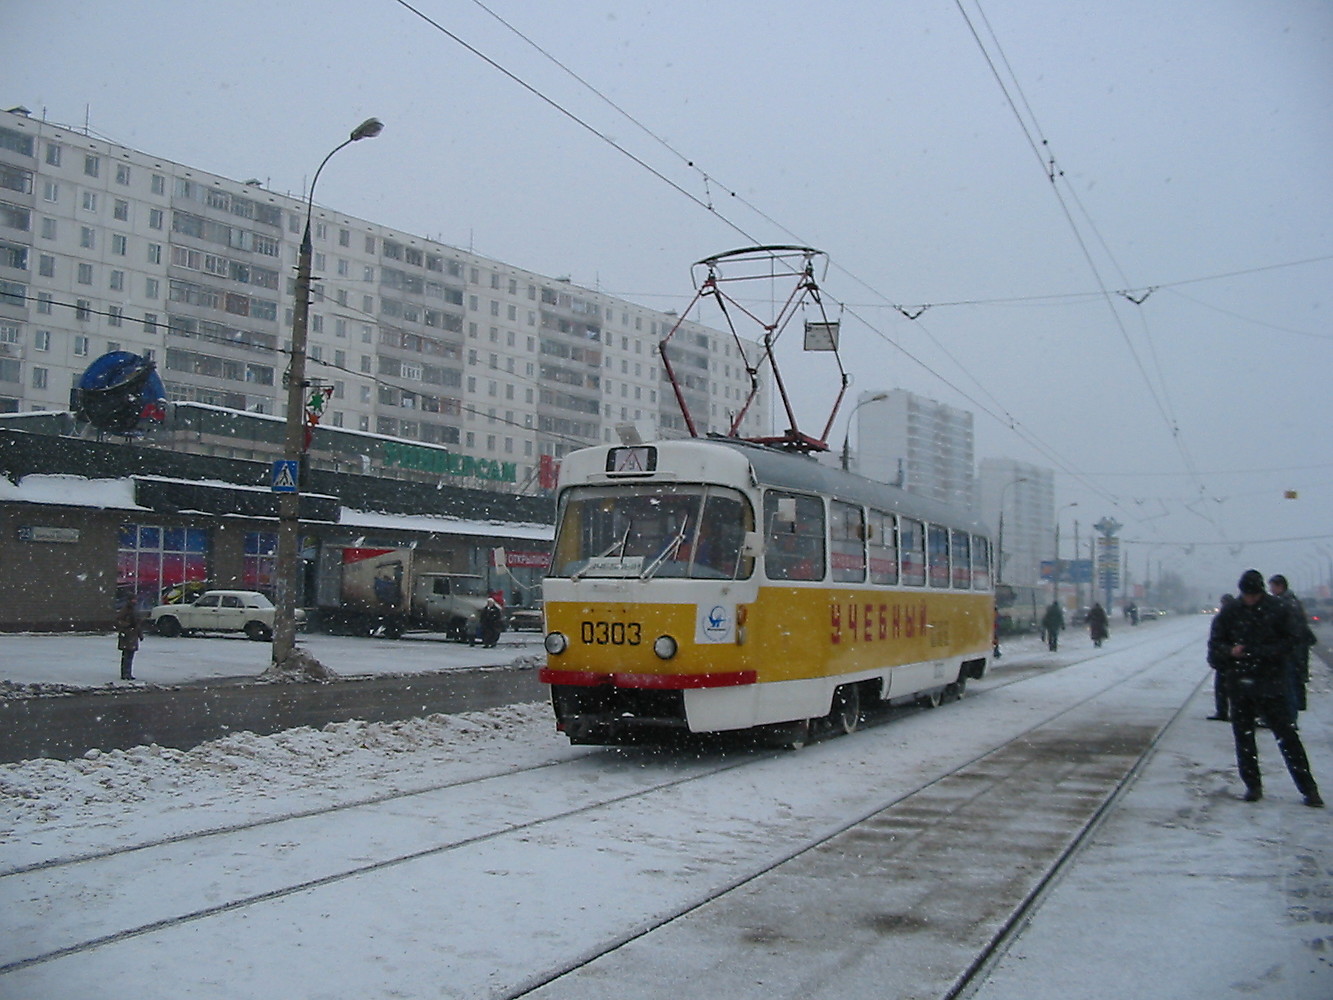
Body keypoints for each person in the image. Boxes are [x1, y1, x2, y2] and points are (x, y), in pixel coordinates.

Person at [1208, 569, 1322, 807]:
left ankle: (1308, 788)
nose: (1250, 599)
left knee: (1287, 737)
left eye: (1254, 594)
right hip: (1240, 684)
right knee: (1244, 737)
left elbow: (1294, 641)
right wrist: (1230, 652)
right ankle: (1253, 785)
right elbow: (1215, 648)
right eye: (1247, 595)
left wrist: (1261, 652)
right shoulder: (1230, 612)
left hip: (1271, 683)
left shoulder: (1278, 610)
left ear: (1261, 592)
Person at [1268, 574, 1316, 717]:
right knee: (1293, 681)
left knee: (1289, 683)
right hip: (1296, 647)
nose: (1271, 590)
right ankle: (1293, 711)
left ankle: (1290, 716)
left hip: (1292, 649)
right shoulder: (1291, 601)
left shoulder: (1286, 603)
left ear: (1280, 586)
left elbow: (1293, 628)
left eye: (1272, 586)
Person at [1206, 594, 1236, 721]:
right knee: (1233, 688)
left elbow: (1215, 639)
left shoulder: (1222, 618)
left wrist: (1214, 655)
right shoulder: (1238, 615)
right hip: (1233, 658)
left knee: (1222, 688)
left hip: (1225, 658)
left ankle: (1222, 711)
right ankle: (1234, 711)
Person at [114, 600, 144, 681]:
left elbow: (138, 624)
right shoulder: (126, 610)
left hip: (132, 635)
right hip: (127, 635)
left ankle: (127, 673)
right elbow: (119, 620)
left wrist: (140, 634)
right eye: (133, 599)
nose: (135, 601)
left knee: (129, 655)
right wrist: (128, 626)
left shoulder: (134, 610)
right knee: (127, 655)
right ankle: (125, 673)